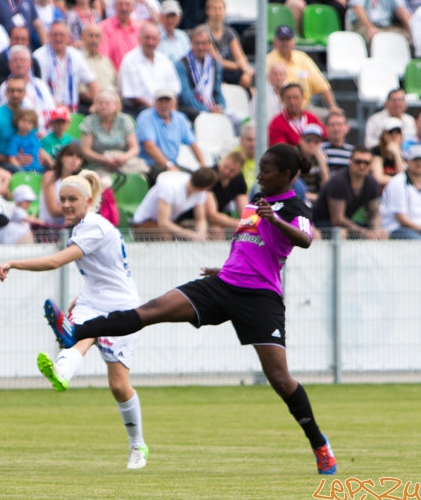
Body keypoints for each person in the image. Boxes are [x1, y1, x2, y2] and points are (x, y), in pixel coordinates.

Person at [42, 143, 337, 477]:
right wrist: (224, 269)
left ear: (286, 175)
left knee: (281, 379)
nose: (258, 177)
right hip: (224, 285)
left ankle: (318, 444)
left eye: (265, 171)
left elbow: (305, 239)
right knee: (151, 310)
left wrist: (275, 218)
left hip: (259, 298)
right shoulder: (256, 204)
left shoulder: (293, 206)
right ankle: (74, 332)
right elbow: (248, 245)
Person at [0, 169, 150, 470]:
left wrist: (13, 262)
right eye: (62, 199)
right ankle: (61, 371)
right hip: (92, 300)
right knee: (80, 336)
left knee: (118, 385)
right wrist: (80, 296)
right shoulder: (84, 226)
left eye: (72, 199)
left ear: (89, 200)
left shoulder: (93, 227)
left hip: (122, 307)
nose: (66, 205)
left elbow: (54, 261)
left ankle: (138, 446)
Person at [312, 146, 387, 239]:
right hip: (322, 222)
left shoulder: (372, 183)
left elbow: (374, 214)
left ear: (371, 165)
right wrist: (363, 232)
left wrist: (375, 231)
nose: (362, 166)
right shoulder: (339, 181)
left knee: (383, 233)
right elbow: (337, 220)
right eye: (358, 162)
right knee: (341, 233)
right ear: (350, 162)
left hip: (345, 223)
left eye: (366, 163)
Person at [136, 89, 206, 183]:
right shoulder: (145, 117)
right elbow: (149, 147)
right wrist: (168, 165)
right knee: (176, 181)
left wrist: (204, 167)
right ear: (154, 102)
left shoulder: (180, 118)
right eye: (160, 100)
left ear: (174, 102)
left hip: (172, 163)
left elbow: (193, 144)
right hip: (150, 166)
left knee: (199, 180)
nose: (164, 104)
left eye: (167, 100)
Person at [130, 167, 218, 241]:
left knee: (206, 236)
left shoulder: (201, 193)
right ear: (206, 187)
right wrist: (192, 235)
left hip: (167, 223)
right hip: (143, 223)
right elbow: (163, 223)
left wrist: (200, 234)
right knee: (164, 237)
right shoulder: (169, 187)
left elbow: (200, 219)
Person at [380, 144, 421, 239]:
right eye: (415, 159)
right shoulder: (398, 182)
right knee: (419, 240)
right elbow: (402, 219)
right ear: (408, 161)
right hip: (396, 227)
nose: (418, 163)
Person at [267, 26, 338, 112]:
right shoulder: (267, 60)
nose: (285, 43)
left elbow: (321, 84)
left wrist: (332, 106)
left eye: (288, 39)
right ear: (275, 42)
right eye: (282, 40)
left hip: (305, 107)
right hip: (280, 108)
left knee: (331, 118)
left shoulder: (302, 57)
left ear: (294, 41)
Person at [33, 20, 99, 112]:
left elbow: (92, 81)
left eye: (62, 35)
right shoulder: (38, 56)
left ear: (68, 37)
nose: (58, 38)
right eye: (55, 35)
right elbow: (40, 88)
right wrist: (60, 107)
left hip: (72, 111)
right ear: (48, 36)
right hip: (47, 110)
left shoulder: (75, 55)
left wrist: (96, 104)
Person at [118, 23, 181, 117]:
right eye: (147, 38)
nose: (150, 42)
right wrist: (157, 109)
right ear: (139, 39)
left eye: (154, 39)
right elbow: (132, 96)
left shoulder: (164, 60)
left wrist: (172, 111)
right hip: (140, 109)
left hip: (166, 108)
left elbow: (174, 90)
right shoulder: (129, 60)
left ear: (159, 41)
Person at [80, 89, 145, 179]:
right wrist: (103, 159)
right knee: (103, 181)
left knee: (140, 177)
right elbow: (85, 150)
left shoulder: (124, 120)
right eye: (100, 103)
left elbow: (134, 148)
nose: (104, 106)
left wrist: (124, 157)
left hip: (122, 161)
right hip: (98, 162)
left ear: (116, 106)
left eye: (107, 103)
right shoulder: (89, 122)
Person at [0, 45, 57, 135]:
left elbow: (52, 110)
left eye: (23, 60)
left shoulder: (41, 84)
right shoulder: (5, 88)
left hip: (49, 134)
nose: (19, 63)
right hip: (25, 136)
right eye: (15, 60)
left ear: (30, 63)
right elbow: (9, 118)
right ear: (9, 64)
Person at [175, 25, 226, 123]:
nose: (201, 47)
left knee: (238, 119)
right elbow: (186, 97)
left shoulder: (215, 64)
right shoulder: (181, 65)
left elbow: (218, 91)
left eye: (204, 43)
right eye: (197, 43)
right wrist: (208, 110)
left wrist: (221, 107)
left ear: (210, 44)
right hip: (192, 110)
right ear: (191, 44)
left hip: (212, 108)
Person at [204, 0, 254, 91]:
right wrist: (238, 66)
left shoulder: (229, 32)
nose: (218, 12)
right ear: (207, 11)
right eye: (214, 8)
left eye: (220, 8)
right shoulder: (204, 32)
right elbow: (217, 61)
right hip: (212, 70)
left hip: (230, 71)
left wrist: (247, 72)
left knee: (248, 85)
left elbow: (240, 56)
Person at [205, 151, 248, 236]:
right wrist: (242, 224)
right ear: (223, 161)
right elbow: (212, 215)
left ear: (239, 171)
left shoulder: (239, 180)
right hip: (202, 215)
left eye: (232, 171)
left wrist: (247, 223)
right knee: (216, 229)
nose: (226, 172)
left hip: (219, 216)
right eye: (225, 166)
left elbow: (244, 211)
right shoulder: (210, 175)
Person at [39, 142, 83, 225]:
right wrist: (80, 210)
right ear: (61, 158)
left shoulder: (80, 180)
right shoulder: (50, 176)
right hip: (49, 229)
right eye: (70, 155)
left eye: (78, 157)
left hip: (72, 227)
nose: (74, 160)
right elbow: (54, 211)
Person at [99, 0, 142, 70]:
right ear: (114, 6)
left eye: (127, 4)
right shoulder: (103, 28)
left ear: (133, 8)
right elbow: (103, 57)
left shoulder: (139, 30)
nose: (124, 8)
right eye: (120, 4)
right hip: (113, 76)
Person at [79, 24, 117, 106]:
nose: (94, 40)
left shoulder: (106, 61)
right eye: (91, 36)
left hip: (113, 105)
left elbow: (116, 87)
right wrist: (102, 103)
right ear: (82, 37)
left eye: (97, 36)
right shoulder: (78, 59)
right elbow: (82, 93)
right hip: (90, 105)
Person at [7, 108, 46, 173]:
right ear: (17, 121)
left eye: (29, 122)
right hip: (25, 171)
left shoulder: (34, 136)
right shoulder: (15, 139)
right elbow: (11, 158)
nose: (26, 124)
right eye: (23, 121)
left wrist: (51, 163)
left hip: (39, 170)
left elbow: (41, 150)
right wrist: (19, 169)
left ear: (33, 125)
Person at [370, 117, 407, 187]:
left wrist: (396, 154)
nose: (395, 135)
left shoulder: (403, 153)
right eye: (391, 131)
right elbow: (378, 178)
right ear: (384, 135)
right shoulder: (376, 151)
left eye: (398, 131)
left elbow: (402, 175)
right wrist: (398, 181)